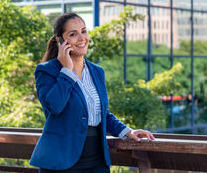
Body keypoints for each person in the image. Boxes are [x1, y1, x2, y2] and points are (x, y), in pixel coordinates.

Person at [30, 12, 155, 172]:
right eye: (73, 34)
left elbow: (102, 114)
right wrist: (67, 71)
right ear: (60, 40)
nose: (82, 38)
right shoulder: (46, 71)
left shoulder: (97, 71)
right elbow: (55, 107)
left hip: (96, 160)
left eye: (83, 31)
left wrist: (128, 132)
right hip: (62, 160)